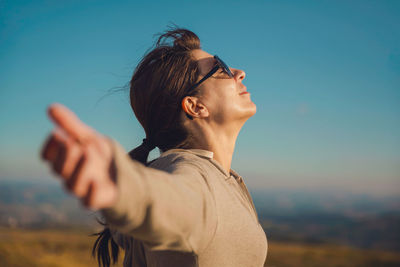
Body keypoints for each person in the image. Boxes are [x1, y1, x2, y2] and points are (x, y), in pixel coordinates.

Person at [41, 27, 268, 267]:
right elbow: (175, 203)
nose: (239, 73)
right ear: (195, 106)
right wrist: (124, 186)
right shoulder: (190, 174)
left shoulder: (222, 179)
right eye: (220, 67)